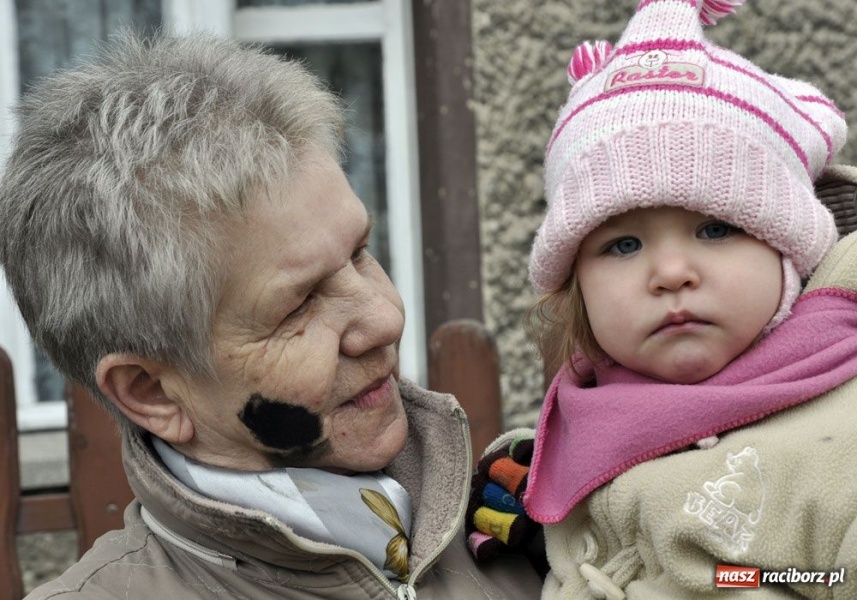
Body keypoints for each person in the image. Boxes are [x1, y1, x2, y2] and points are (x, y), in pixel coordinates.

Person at [0, 32, 544, 599]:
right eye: (299, 305)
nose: (385, 317)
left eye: (360, 251)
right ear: (151, 392)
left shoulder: (527, 529)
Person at [467, 0, 857, 598]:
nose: (671, 273)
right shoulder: (572, 434)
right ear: (576, 291)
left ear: (788, 253)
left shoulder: (838, 425)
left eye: (716, 229)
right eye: (622, 245)